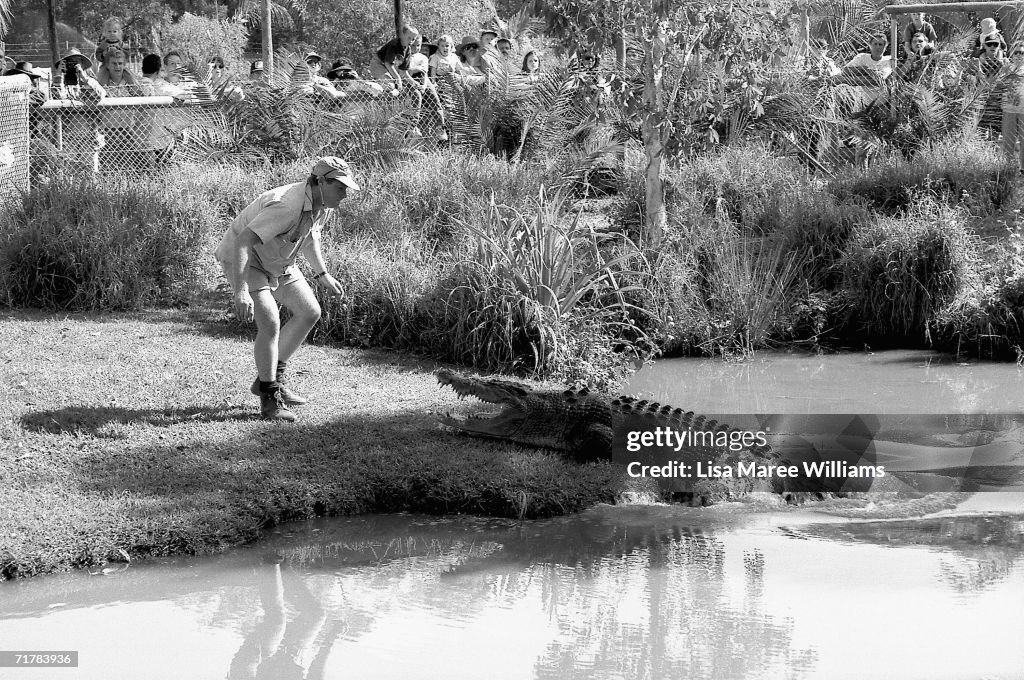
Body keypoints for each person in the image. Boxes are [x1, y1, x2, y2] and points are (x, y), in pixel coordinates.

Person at [215, 157, 356, 421]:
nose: (345, 194)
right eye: (340, 187)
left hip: (278, 260)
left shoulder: (321, 204)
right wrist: (241, 290)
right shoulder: (287, 205)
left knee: (309, 311)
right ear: (321, 182)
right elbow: (244, 241)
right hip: (246, 259)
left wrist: (322, 274)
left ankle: (271, 380)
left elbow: (309, 237)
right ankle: (270, 399)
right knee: (270, 321)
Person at [370, 24, 419, 94]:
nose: (411, 41)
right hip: (378, 63)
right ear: (402, 35)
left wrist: (413, 82)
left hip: (388, 68)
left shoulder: (408, 50)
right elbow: (388, 63)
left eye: (413, 39)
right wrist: (398, 78)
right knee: (390, 86)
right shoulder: (394, 44)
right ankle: (369, 86)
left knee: (396, 87)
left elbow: (404, 71)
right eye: (409, 38)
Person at [1002, 42, 1024, 171]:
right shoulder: (1006, 68)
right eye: (1016, 52)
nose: (1019, 55)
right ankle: (1007, 169)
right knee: (1008, 142)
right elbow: (996, 84)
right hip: (1008, 109)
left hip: (1023, 111)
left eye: (1022, 52)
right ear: (1011, 54)